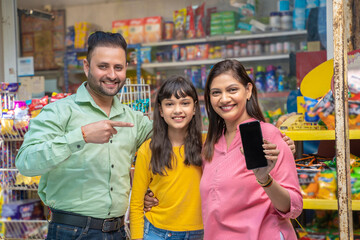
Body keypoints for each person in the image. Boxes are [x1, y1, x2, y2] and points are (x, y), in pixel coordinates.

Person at [15, 31, 153, 240]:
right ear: (87, 67)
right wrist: (80, 136)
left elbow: (171, 143)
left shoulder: (134, 119)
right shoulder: (58, 112)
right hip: (71, 232)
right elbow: (26, 162)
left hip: (118, 231)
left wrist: (152, 190)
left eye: (119, 67)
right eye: (103, 66)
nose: (112, 75)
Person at [200, 59, 302, 240]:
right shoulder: (211, 144)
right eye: (216, 92)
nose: (224, 99)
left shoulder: (269, 136)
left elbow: (293, 207)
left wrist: (265, 179)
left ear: (248, 91)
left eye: (232, 90)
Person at [130, 76, 205, 239]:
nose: (177, 110)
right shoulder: (147, 150)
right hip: (157, 232)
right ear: (161, 110)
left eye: (185, 103)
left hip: (201, 232)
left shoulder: (207, 145)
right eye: (169, 104)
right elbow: (136, 205)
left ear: (194, 108)